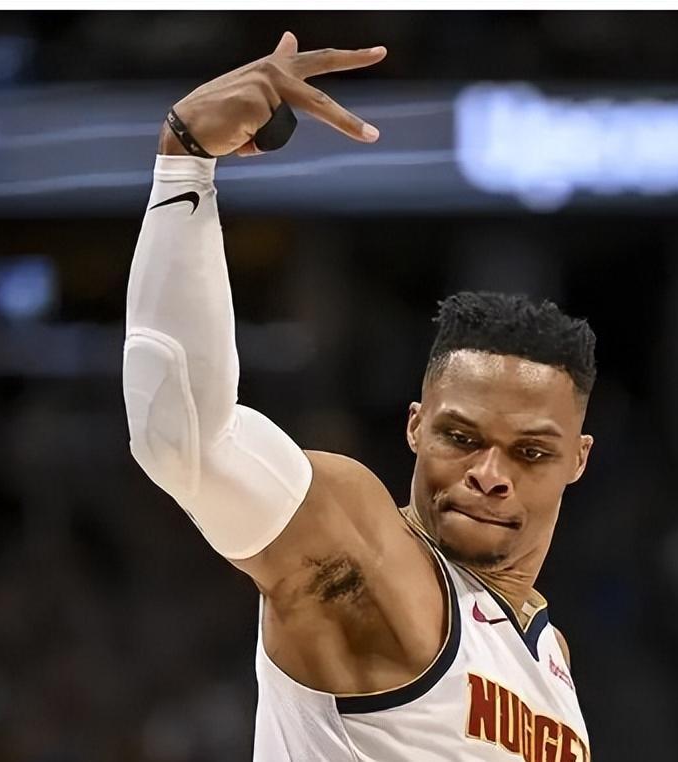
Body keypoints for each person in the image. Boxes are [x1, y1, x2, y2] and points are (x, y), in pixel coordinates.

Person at [122, 32, 595, 761]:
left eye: (530, 452)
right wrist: (184, 161)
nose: (489, 474)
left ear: (578, 460)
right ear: (416, 427)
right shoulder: (366, 559)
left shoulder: (547, 652)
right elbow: (186, 444)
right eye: (461, 437)